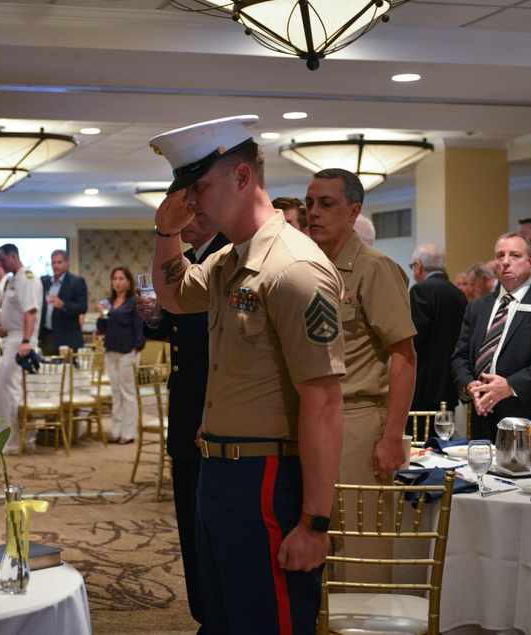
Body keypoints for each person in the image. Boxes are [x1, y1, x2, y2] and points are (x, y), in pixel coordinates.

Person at [149, 115, 345, 633]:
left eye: (198, 189)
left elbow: (324, 401)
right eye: (183, 192)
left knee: (267, 622)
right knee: (221, 619)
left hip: (267, 478)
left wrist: (314, 524)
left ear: (241, 178)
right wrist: (165, 232)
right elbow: (172, 295)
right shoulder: (228, 261)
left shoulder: (293, 268)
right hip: (218, 469)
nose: (189, 203)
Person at [306, 167, 416, 587]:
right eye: (310, 204)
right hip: (311, 422)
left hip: (356, 422)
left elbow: (404, 356)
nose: (314, 213)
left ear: (354, 212)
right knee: (317, 545)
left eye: (326, 204)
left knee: (359, 550)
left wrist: (391, 437)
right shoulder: (307, 268)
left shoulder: (374, 268)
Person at [136, 222, 228, 633]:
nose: (183, 221)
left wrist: (217, 411)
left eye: (190, 209)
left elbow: (225, 346)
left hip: (214, 413)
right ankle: (205, 612)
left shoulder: (229, 255)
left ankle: (215, 614)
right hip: (188, 408)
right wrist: (157, 316)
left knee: (212, 523)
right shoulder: (189, 261)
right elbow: (180, 329)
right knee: (190, 521)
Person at [451, 232, 531, 441]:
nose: (506, 262)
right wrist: (469, 385)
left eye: (515, 255)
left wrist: (510, 386)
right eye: (500, 256)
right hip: (484, 417)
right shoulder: (477, 307)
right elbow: (459, 356)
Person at [0, 243, 44, 453]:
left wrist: (26, 340)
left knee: (8, 388)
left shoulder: (27, 278)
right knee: (8, 388)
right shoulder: (14, 279)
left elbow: (30, 312)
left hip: (20, 340)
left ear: (13, 255)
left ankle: (12, 441)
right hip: (12, 337)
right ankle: (18, 438)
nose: (0, 263)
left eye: (3, 259)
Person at [409, 244, 467, 412]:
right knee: (445, 435)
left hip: (424, 382)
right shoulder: (458, 293)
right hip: (450, 381)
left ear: (419, 266)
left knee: (420, 435)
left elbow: (414, 336)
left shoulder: (421, 290)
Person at [95, 266, 145, 445]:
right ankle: (116, 431)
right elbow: (102, 328)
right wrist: (101, 316)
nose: (117, 282)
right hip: (111, 350)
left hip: (128, 351)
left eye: (121, 278)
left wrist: (137, 347)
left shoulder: (133, 301)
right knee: (115, 392)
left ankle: (129, 432)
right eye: (114, 278)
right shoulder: (108, 302)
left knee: (128, 393)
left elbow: (139, 326)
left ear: (128, 282)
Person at [39, 249, 89, 355]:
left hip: (68, 337)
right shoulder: (45, 282)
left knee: (68, 370)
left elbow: (82, 307)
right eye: (53, 263)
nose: (56, 266)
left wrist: (63, 304)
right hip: (48, 335)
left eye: (59, 262)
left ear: (66, 263)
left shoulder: (76, 282)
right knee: (48, 369)